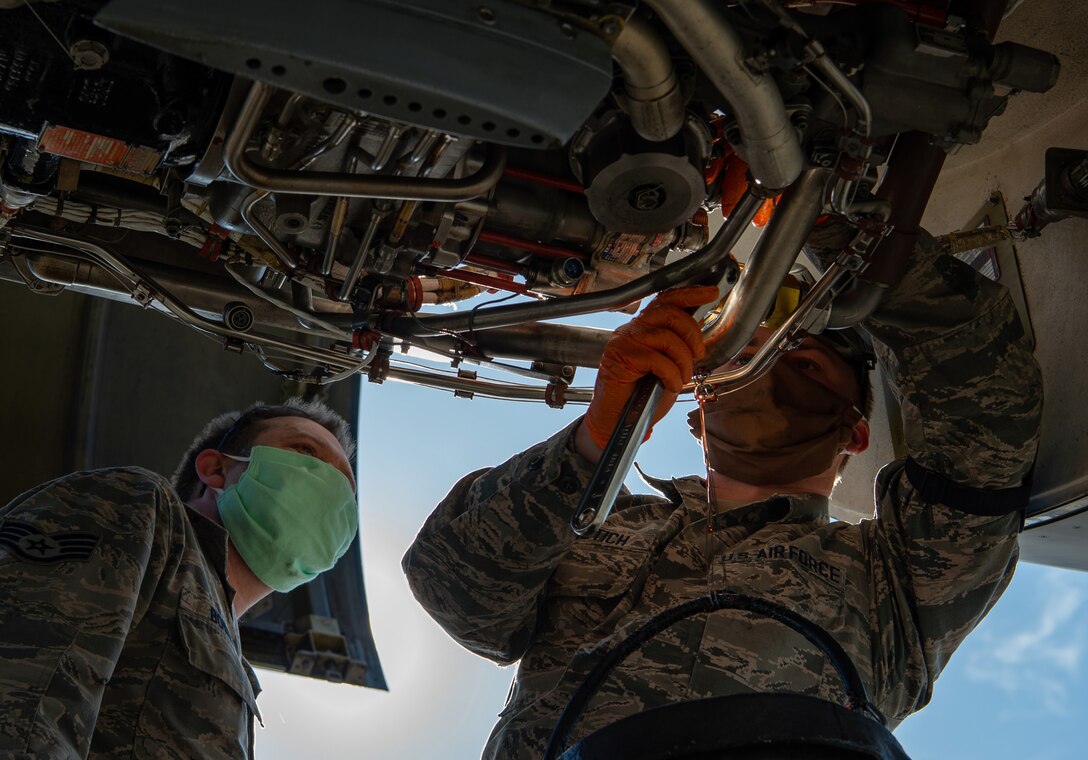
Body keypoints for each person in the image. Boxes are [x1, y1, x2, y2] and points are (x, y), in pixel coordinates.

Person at [403, 226, 1043, 759]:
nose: (763, 368)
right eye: (744, 358)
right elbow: (456, 591)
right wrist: (596, 440)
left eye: (802, 363)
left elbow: (989, 407)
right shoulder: (592, 521)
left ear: (852, 431)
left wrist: (839, 228)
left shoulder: (893, 579)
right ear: (697, 413)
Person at [0, 398, 359, 759]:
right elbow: (25, 692)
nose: (330, 488)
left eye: (345, 486)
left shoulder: (236, 663)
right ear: (216, 470)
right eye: (306, 451)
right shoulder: (142, 507)